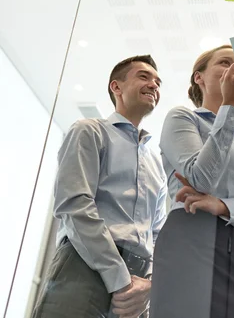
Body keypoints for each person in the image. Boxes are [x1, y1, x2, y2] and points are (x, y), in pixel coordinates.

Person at [150, 45, 234, 318]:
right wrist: (230, 106)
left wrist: (223, 206)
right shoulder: (182, 117)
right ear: (199, 77)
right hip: (189, 238)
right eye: (226, 63)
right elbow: (201, 179)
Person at [33, 55, 168, 318]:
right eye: (144, 76)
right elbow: (74, 205)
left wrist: (149, 285)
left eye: (157, 81)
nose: (154, 85)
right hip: (84, 268)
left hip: (137, 286)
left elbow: (158, 233)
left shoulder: (155, 162)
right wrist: (120, 277)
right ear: (115, 87)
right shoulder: (90, 131)